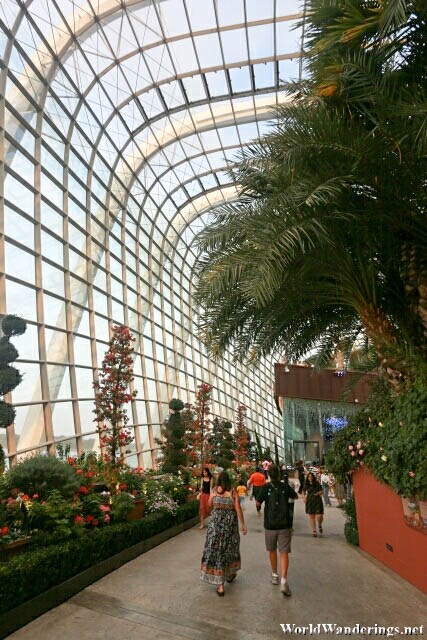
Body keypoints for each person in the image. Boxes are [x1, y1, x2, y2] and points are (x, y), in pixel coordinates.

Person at [200, 471, 247, 596]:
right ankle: (229, 574)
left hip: (214, 527)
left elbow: (209, 505)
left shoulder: (215, 490)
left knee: (216, 552)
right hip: (229, 528)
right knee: (229, 550)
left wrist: (215, 504)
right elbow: (238, 509)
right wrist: (243, 525)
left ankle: (221, 585)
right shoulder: (232, 492)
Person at [256, 464, 298, 596]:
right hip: (284, 524)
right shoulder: (285, 486)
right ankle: (284, 580)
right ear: (279, 474)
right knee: (284, 552)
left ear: (268, 475)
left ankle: (275, 575)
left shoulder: (265, 487)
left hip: (270, 524)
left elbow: (258, 503)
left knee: (272, 550)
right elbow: (295, 496)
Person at [303, 471, 324, 536]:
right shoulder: (306, 484)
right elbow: (303, 492)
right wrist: (304, 498)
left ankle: (320, 525)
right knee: (312, 516)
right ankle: (314, 530)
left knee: (319, 515)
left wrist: (317, 493)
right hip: (310, 500)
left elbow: (322, 491)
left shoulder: (317, 483)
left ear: (313, 477)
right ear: (307, 478)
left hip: (317, 500)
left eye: (311, 476)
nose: (310, 478)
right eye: (309, 477)